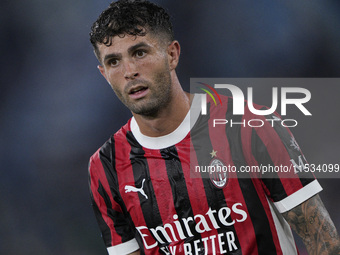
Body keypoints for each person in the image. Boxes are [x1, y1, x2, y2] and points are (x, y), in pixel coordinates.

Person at [88, 0, 340, 254]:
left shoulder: (248, 125)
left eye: (140, 53)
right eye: (113, 62)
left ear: (172, 54)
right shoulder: (105, 167)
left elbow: (323, 240)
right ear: (103, 74)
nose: (129, 71)